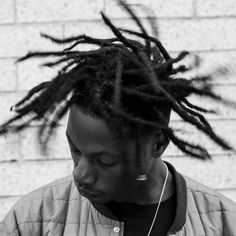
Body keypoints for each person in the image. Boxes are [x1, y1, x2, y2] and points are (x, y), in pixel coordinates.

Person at [0, 1, 236, 235]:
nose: (80, 174)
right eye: (75, 150)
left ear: (158, 143)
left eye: (105, 161)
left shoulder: (222, 222)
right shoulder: (33, 220)